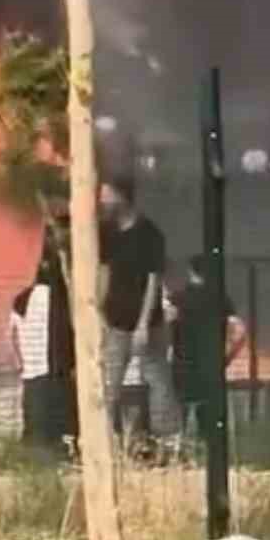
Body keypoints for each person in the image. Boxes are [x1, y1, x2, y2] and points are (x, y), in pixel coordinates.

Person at [98, 176, 181, 442]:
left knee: (157, 380)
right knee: (109, 384)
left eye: (107, 195)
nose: (102, 201)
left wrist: (144, 324)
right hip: (115, 322)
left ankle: (168, 438)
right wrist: (98, 312)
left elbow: (153, 281)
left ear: (122, 196)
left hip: (149, 323)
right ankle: (105, 440)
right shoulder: (107, 232)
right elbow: (104, 272)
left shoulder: (149, 233)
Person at [9, 233, 76, 450]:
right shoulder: (64, 300)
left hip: (32, 372)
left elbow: (11, 334)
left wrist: (19, 361)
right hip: (56, 374)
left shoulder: (22, 299)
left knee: (35, 432)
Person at [171, 256, 247, 440]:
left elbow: (165, 323)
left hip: (183, 363)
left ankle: (178, 450)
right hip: (212, 365)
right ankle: (207, 449)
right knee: (209, 414)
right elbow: (240, 332)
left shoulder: (178, 299)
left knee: (179, 409)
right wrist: (227, 358)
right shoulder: (221, 299)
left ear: (190, 272)